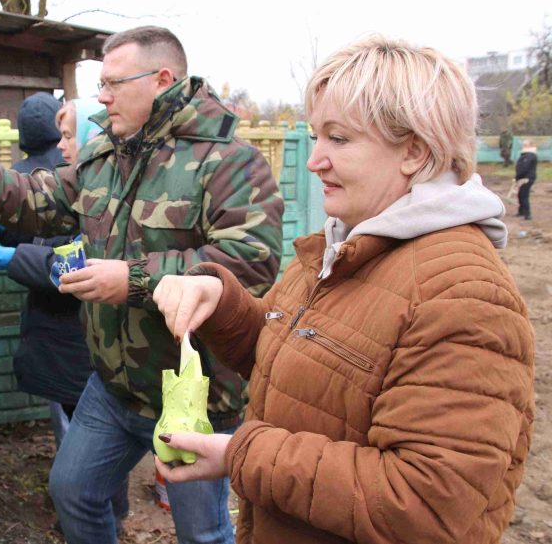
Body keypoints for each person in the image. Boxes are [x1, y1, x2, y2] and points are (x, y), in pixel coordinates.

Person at [152, 36, 535, 544]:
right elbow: (299, 366)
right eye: (317, 136)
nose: (315, 160)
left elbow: (424, 504)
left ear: (414, 151)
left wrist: (242, 455)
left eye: (339, 138)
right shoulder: (347, 245)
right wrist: (223, 305)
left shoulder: (463, 294)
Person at [0, 26, 284, 544]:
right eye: (101, 84)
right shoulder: (106, 155)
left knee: (201, 533)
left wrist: (132, 280)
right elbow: (37, 199)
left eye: (114, 83)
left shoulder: (229, 161)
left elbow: (250, 263)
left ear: (162, 79)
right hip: (114, 386)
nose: (103, 96)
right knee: (73, 492)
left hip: (193, 392)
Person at [0, 94, 130, 534]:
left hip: (83, 339)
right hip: (73, 338)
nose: (61, 146)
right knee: (84, 430)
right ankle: (96, 510)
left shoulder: (105, 193)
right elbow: (49, 235)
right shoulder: (76, 184)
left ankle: (104, 513)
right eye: (59, 135)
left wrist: (16, 259)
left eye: (69, 136)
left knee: (93, 437)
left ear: (92, 137)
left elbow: (76, 263)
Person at [515, 139, 538, 220]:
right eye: (523, 144)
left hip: (527, 178)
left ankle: (527, 214)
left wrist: (518, 177)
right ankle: (521, 211)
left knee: (524, 195)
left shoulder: (530, 155)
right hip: (523, 177)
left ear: (530, 145)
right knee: (520, 194)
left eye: (525, 144)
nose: (523, 146)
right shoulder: (525, 154)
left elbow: (524, 167)